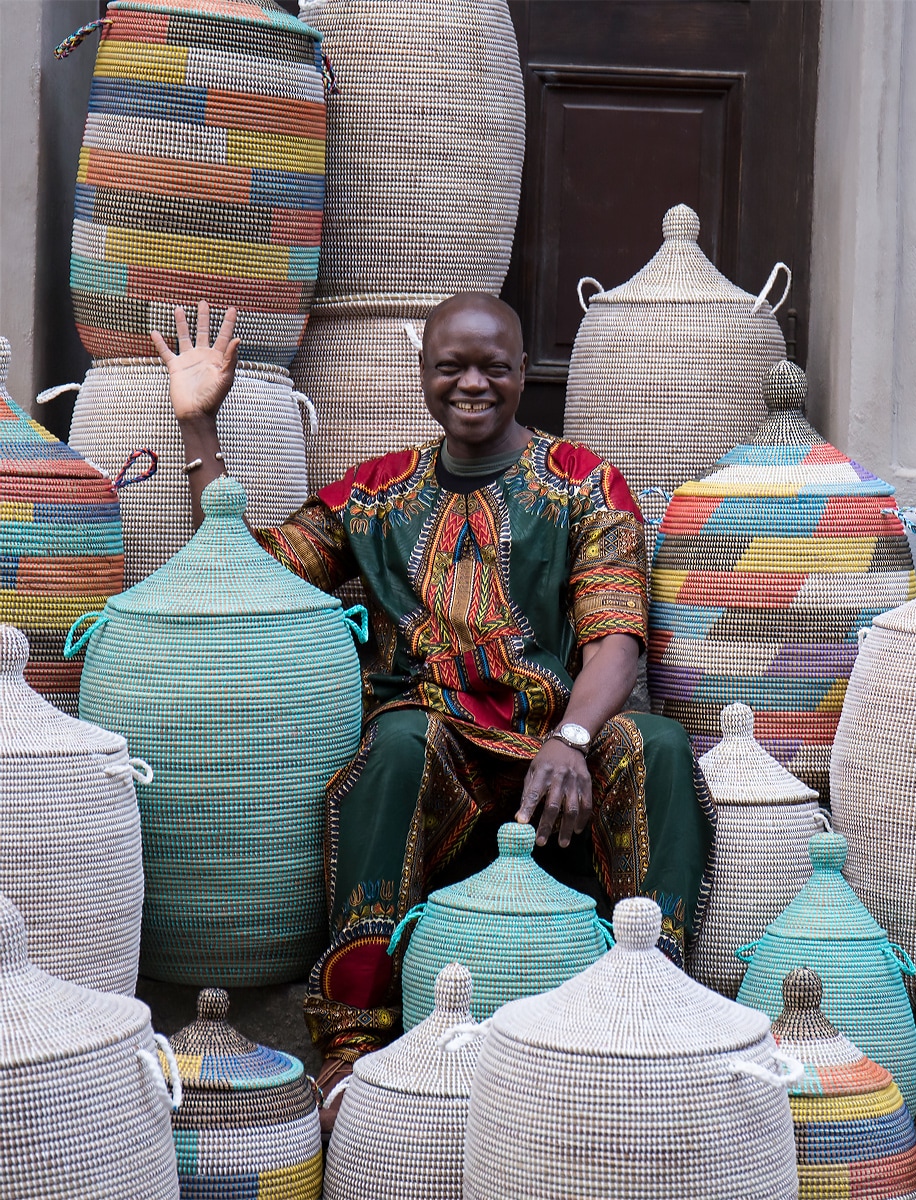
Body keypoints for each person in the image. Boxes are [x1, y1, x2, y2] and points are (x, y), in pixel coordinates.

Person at [153, 297, 717, 1125]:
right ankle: (354, 1042)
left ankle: (659, 1011)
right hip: (435, 754)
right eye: (451, 365)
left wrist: (570, 735)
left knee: (660, 745)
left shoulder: (583, 485)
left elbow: (616, 642)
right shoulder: (379, 493)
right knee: (396, 739)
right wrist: (200, 428)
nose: (473, 383)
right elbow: (257, 568)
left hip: (558, 756)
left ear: (525, 375)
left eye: (494, 365)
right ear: (423, 377)